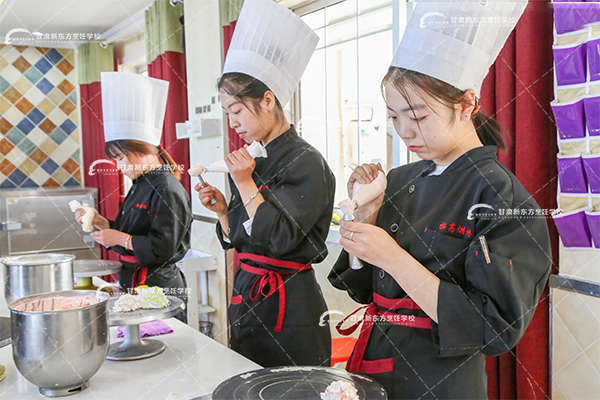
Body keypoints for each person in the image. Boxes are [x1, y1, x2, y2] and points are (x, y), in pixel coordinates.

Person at [328, 1, 552, 398]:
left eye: (418, 116)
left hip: (440, 381)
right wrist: (367, 218)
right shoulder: (399, 179)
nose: (404, 131)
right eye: (395, 117)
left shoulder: (501, 197)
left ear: (466, 105)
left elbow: (494, 328)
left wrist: (392, 255)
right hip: (374, 361)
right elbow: (365, 291)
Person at [196, 0, 334, 367]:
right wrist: (224, 213)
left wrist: (243, 184)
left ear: (268, 100)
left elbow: (282, 239)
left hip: (291, 306)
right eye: (228, 114)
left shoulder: (307, 161)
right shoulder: (253, 159)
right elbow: (243, 237)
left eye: (237, 111)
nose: (233, 123)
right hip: (247, 295)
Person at [75, 72, 191, 322]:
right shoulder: (139, 183)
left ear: (143, 150)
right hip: (133, 281)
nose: (118, 165)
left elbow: (164, 247)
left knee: (164, 345)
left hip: (158, 286)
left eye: (120, 157)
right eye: (115, 159)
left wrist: (121, 238)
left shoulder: (166, 188)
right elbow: (133, 232)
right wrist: (101, 223)